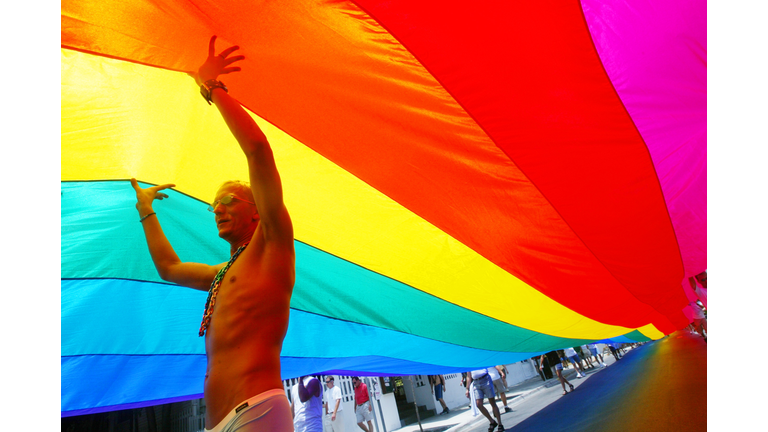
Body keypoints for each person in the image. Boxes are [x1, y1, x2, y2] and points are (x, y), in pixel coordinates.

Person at [130, 36, 295, 432]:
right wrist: (145, 210)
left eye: (228, 200)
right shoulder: (222, 273)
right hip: (216, 422)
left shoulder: (273, 243)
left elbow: (258, 150)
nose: (217, 208)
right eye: (214, 204)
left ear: (257, 212)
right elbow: (169, 268)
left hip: (257, 411)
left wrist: (212, 87)